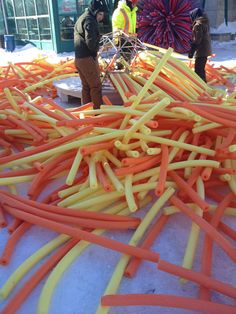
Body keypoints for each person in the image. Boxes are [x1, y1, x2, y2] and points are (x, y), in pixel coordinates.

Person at [74, 0, 107, 109]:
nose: (101, 18)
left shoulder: (82, 17)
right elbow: (91, 43)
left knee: (86, 86)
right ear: (95, 12)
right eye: (100, 14)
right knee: (96, 86)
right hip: (87, 59)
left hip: (79, 58)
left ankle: (87, 111)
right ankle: (98, 113)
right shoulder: (90, 21)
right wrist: (100, 42)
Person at [188, 8, 212, 82]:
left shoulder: (198, 25)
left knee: (198, 70)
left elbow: (198, 39)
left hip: (202, 50)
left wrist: (192, 50)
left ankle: (202, 87)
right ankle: (203, 85)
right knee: (201, 69)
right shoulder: (204, 23)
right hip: (206, 49)